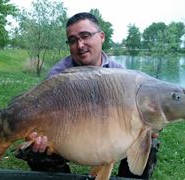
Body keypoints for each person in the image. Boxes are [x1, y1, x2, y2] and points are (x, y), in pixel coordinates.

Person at [15, 12, 159, 179]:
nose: (80, 44)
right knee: (37, 151)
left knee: (148, 141)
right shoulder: (58, 76)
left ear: (101, 36)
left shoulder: (121, 75)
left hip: (110, 133)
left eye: (85, 36)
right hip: (68, 136)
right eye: (73, 40)